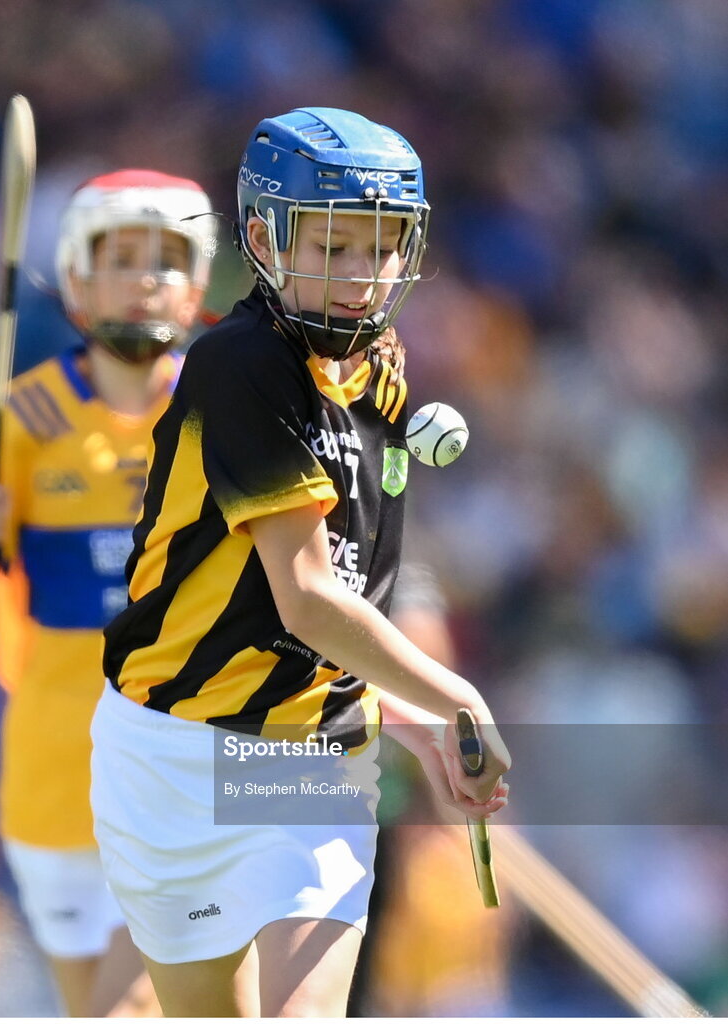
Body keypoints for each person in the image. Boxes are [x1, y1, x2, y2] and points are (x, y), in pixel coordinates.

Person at [90, 107, 511, 1018]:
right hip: (169, 757)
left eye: (382, 247)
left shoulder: (378, 368)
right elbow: (308, 600)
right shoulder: (238, 366)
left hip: (310, 763)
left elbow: (355, 590)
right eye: (332, 245)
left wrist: (412, 722)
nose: (361, 277)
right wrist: (458, 700)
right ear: (262, 238)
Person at [0, 169, 217, 1017]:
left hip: (182, 771)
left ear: (198, 286)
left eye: (166, 260)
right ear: (77, 278)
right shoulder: (19, 420)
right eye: (121, 257)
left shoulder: (222, 417)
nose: (144, 278)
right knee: (92, 1009)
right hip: (54, 775)